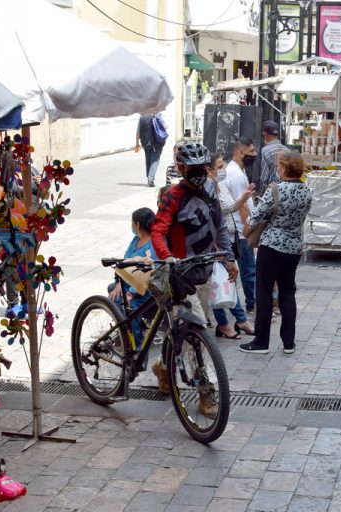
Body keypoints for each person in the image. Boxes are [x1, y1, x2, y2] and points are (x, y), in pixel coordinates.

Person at [151, 142, 238, 409]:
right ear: (181, 168)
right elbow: (158, 231)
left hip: (206, 271)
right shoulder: (172, 196)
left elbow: (219, 225)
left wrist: (228, 256)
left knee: (185, 330)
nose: (198, 172)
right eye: (192, 168)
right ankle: (206, 394)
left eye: (202, 167)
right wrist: (168, 257)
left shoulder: (211, 189)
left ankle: (163, 367)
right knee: (197, 336)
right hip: (180, 276)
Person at [240, 151, 312, 354]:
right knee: (288, 292)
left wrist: (247, 225)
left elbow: (257, 216)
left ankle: (261, 341)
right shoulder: (306, 191)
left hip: (271, 246)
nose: (277, 169)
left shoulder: (276, 190)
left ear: (285, 168)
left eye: (279, 166)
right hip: (294, 247)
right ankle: (289, 342)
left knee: (264, 292)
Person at [208, 154, 256, 339]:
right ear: (209, 169)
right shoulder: (209, 187)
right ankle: (232, 322)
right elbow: (224, 209)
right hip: (216, 244)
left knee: (227, 280)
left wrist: (243, 198)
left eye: (223, 165)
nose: (223, 170)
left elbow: (230, 206)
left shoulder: (221, 184)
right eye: (219, 166)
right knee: (220, 282)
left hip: (228, 238)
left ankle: (233, 321)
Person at [108, 207, 158, 342]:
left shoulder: (153, 244)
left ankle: (135, 340)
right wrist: (119, 282)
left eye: (132, 222)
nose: (131, 225)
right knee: (113, 290)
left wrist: (130, 293)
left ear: (138, 224)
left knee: (127, 303)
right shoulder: (135, 240)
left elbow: (149, 275)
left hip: (145, 289)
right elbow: (124, 262)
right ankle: (125, 332)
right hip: (129, 282)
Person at [224, 137, 259, 314]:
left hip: (241, 229)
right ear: (240, 153)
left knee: (248, 268)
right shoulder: (236, 175)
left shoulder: (237, 171)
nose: (254, 155)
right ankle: (252, 304)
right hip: (241, 230)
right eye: (251, 151)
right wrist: (249, 229)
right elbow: (242, 205)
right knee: (248, 269)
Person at [135, 113, 166, 187]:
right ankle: (151, 179)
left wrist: (137, 144)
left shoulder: (142, 117)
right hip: (157, 142)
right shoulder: (158, 115)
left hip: (146, 143)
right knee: (155, 161)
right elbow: (165, 126)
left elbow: (138, 132)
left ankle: (149, 178)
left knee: (148, 161)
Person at [259, 120, 288, 196]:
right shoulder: (287, 150)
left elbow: (264, 179)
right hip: (287, 192)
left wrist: (261, 196)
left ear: (264, 133)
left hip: (272, 194)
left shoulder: (265, 151)